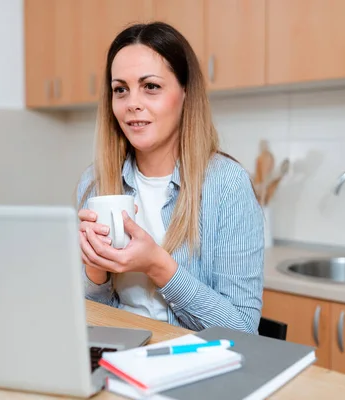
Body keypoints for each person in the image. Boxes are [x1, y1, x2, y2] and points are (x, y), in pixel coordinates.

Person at [76, 21, 264, 334]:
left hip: (194, 366)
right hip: (119, 358)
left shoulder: (227, 185)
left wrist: (157, 266)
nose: (132, 103)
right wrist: (95, 270)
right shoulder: (94, 183)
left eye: (150, 86)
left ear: (186, 92)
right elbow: (86, 320)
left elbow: (242, 331)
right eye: (120, 89)